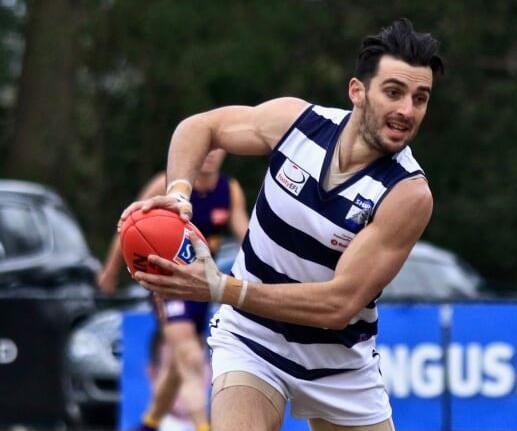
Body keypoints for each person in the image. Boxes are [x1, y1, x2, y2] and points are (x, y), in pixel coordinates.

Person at [122, 18, 444, 431]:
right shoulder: (297, 124)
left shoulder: (407, 194)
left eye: (420, 98)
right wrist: (179, 193)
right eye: (394, 92)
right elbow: (201, 127)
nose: (406, 110)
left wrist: (221, 288)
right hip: (251, 337)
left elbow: (338, 305)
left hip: (338, 367)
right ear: (357, 92)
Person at [99, 149, 249, 431]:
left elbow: (247, 234)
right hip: (166, 285)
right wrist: (110, 271)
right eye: (203, 148)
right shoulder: (165, 186)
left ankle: (149, 423)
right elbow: (130, 227)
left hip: (201, 286)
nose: (208, 155)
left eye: (215, 148)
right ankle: (203, 427)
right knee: (191, 356)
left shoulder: (229, 189)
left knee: (179, 365)